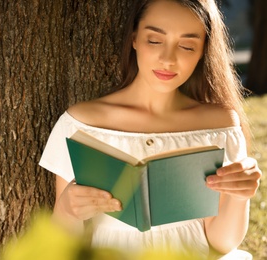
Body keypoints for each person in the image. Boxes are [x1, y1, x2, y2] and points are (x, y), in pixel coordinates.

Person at [39, 0, 262, 258]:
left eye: (187, 46)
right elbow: (63, 246)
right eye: (154, 41)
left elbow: (222, 243)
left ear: (203, 51)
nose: (168, 59)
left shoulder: (219, 124)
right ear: (134, 38)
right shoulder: (81, 124)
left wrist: (240, 197)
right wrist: (67, 210)